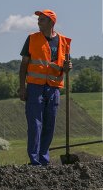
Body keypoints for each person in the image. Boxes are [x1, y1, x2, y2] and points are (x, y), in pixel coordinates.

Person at [18, 9, 72, 166]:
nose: (38, 22)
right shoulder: (32, 39)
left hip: (54, 88)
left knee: (49, 125)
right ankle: (35, 162)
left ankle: (44, 159)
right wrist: (22, 88)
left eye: (42, 19)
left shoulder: (63, 41)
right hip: (35, 88)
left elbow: (64, 66)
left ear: (51, 22)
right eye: (39, 19)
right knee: (35, 125)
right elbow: (23, 66)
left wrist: (68, 67)